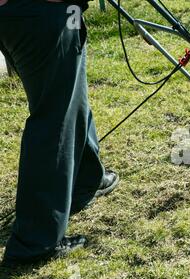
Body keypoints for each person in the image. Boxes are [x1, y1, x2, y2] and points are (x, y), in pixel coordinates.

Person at [0, 0, 119, 265]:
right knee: (54, 121)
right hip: (41, 12)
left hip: (59, 11)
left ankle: (83, 182)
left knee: (73, 95)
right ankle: (35, 242)